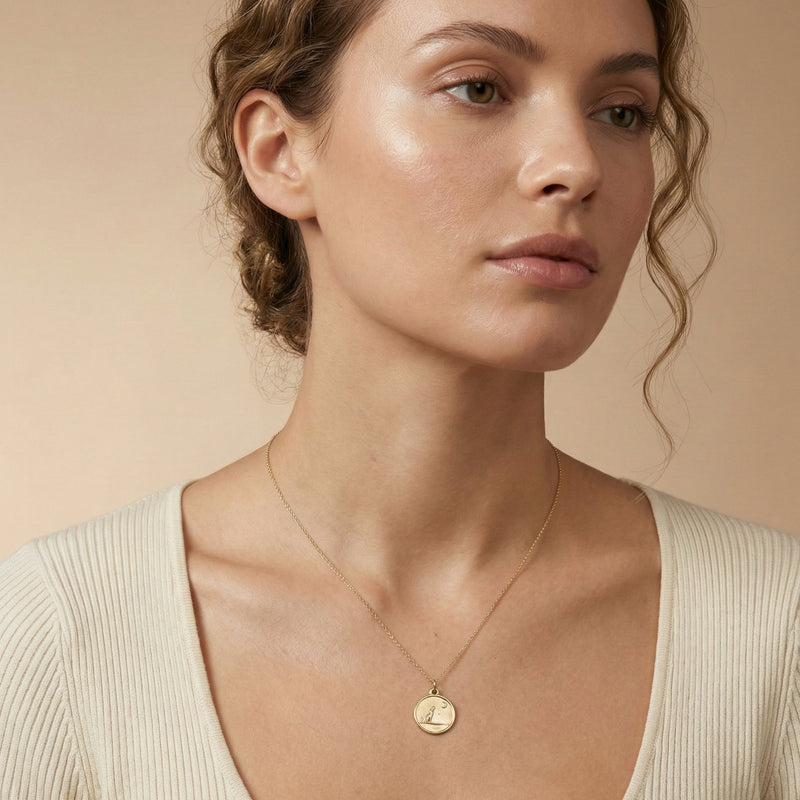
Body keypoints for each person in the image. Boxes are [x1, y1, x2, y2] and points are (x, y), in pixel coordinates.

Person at [1, 0, 798, 797]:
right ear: (279, 151)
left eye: (621, 112)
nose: (577, 165)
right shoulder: (61, 633)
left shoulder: (772, 628)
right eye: (478, 89)